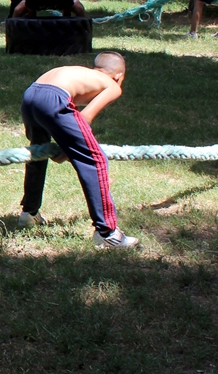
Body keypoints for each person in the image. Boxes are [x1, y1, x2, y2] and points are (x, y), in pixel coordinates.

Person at [18, 52, 138, 249]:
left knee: (38, 154)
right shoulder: (113, 85)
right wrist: (70, 150)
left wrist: (68, 148)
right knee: (95, 160)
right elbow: (86, 117)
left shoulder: (80, 72)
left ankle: (28, 214)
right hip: (53, 98)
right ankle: (108, 233)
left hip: (31, 94)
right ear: (119, 76)